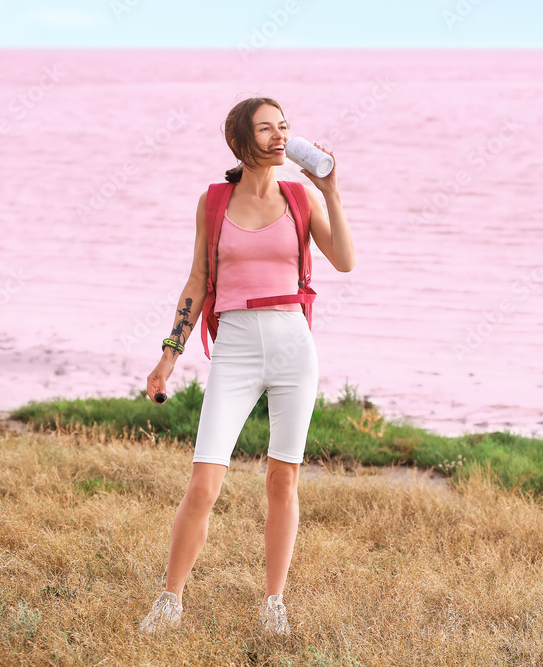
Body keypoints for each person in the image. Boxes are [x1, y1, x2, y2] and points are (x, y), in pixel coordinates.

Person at [137, 96, 355, 635]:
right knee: (204, 481)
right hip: (234, 345)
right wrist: (169, 355)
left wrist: (330, 190)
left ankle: (273, 603)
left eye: (284, 127)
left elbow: (345, 261)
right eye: (266, 129)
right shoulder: (213, 202)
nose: (279, 137)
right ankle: (169, 601)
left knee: (283, 480)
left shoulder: (300, 197)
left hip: (292, 346)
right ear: (240, 141)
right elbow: (196, 281)